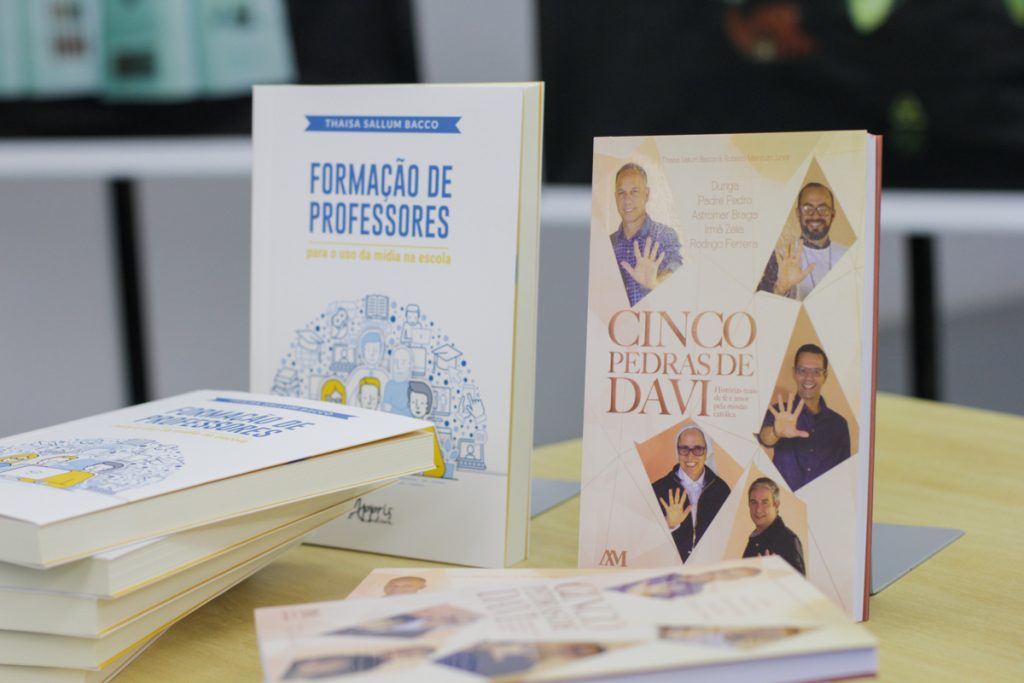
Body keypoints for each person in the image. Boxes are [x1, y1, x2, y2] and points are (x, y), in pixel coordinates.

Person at [758, 344, 851, 491]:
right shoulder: (780, 413)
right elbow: (765, 439)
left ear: (825, 376)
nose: (809, 377)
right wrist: (776, 432)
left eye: (816, 372)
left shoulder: (839, 424)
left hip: (823, 501)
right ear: (794, 373)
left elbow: (844, 474)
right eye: (802, 370)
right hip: (786, 501)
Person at [651, 424, 730, 563]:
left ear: (707, 452)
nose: (690, 456)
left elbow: (727, 537)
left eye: (698, 449)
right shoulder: (658, 489)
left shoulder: (722, 490)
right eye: (684, 449)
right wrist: (669, 524)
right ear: (677, 452)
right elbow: (641, 539)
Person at [758, 182, 848, 300]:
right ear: (798, 214)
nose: (815, 216)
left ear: (833, 215)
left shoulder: (848, 256)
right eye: (807, 209)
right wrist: (781, 288)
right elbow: (759, 305)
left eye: (823, 209)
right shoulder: (781, 256)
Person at [609, 163, 683, 306]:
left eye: (634, 191)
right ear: (615, 197)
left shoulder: (664, 235)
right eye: (621, 192)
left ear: (647, 194)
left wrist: (656, 282)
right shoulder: (607, 244)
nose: (627, 200)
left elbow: (676, 268)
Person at [742, 477, 805, 575]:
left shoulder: (788, 540)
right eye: (754, 502)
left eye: (765, 502)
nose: (758, 509)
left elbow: (799, 584)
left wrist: (772, 575)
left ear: (776, 505)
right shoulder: (755, 540)